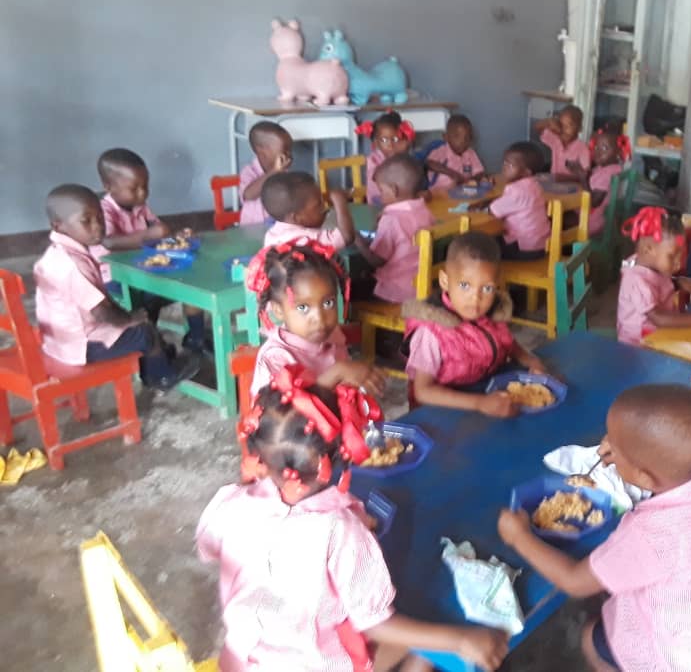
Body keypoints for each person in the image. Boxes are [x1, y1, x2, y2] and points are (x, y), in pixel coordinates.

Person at [198, 370, 509, 672]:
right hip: (314, 665)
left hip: (240, 661)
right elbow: (374, 623)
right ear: (340, 454)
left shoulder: (230, 502)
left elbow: (209, 548)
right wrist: (461, 639)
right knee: (427, 637)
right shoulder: (340, 531)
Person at [497, 384, 691, 672]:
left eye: (615, 446)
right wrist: (627, 453)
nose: (606, 446)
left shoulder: (653, 534)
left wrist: (519, 537)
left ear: (645, 477)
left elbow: (574, 582)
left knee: (592, 640)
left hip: (688, 660)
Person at [33, 184, 197, 389]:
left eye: (99, 218)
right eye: (86, 221)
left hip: (59, 341)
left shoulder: (57, 254)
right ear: (58, 226)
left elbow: (99, 302)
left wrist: (127, 318)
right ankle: (162, 376)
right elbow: (102, 312)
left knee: (136, 321)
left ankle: (155, 360)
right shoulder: (74, 265)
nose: (97, 226)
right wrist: (129, 319)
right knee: (145, 332)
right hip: (82, 346)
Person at [402, 232, 547, 415]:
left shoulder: (492, 313)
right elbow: (422, 391)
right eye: (465, 285)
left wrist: (532, 361)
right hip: (441, 416)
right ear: (445, 281)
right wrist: (480, 403)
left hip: (483, 399)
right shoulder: (431, 332)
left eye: (487, 288)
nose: (475, 298)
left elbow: (508, 344)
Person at [96, 148, 208, 353]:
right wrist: (149, 235)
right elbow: (109, 242)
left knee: (190, 282)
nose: (142, 193)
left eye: (145, 186)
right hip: (116, 277)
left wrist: (177, 236)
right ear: (109, 187)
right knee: (150, 299)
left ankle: (196, 338)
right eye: (134, 188)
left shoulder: (140, 206)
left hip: (144, 268)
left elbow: (159, 232)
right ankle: (152, 346)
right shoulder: (105, 210)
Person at [246, 237, 386, 397]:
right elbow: (282, 410)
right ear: (278, 310)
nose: (320, 318)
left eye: (328, 303)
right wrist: (337, 373)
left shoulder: (333, 337)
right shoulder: (275, 358)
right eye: (303, 308)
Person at [616, 207, 691, 346]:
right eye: (672, 256)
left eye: (680, 256)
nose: (678, 263)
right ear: (648, 249)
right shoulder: (635, 281)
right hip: (638, 345)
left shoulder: (650, 263)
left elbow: (656, 284)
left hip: (659, 333)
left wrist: (678, 283)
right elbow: (659, 319)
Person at [348, 154, 436, 303]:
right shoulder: (425, 211)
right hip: (421, 287)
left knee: (346, 288)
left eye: (382, 191)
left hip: (393, 292)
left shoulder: (392, 220)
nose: (380, 195)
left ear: (394, 190)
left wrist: (356, 238)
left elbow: (376, 260)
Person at [482, 142, 550, 261]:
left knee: (482, 246)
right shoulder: (535, 185)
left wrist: (481, 207)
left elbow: (492, 211)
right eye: (504, 162)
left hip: (524, 249)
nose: (504, 167)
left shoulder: (517, 191)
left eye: (510, 165)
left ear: (526, 172)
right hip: (542, 245)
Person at [262, 171, 356, 251]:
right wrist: (340, 201)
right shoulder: (306, 239)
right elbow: (346, 237)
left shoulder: (271, 235)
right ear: (297, 217)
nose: (324, 207)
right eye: (318, 204)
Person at [238, 121, 293, 225]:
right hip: (253, 225)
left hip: (275, 224)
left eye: (290, 149)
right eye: (284, 149)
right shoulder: (249, 171)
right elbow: (248, 195)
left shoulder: (283, 171)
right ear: (262, 151)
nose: (289, 154)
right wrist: (274, 171)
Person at [357, 112, 415, 205]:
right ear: (376, 142)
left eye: (395, 139)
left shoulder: (404, 157)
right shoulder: (373, 159)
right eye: (384, 140)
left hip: (399, 202)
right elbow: (378, 177)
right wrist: (395, 157)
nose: (390, 144)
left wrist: (405, 150)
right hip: (377, 202)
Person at [585, 129, 629, 236]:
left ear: (618, 153)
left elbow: (593, 202)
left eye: (604, 148)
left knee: (559, 217)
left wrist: (582, 178)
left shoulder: (607, 174)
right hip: (600, 219)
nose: (597, 152)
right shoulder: (611, 168)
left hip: (591, 222)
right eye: (596, 147)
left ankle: (567, 245)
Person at [426, 114, 485, 190]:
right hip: (439, 193)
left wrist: (472, 180)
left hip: (464, 192)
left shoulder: (470, 153)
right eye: (457, 136)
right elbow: (429, 164)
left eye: (467, 137)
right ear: (446, 137)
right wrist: (452, 174)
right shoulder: (442, 151)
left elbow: (480, 172)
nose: (462, 141)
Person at [535, 105, 589, 181]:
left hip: (573, 186)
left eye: (569, 125)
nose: (564, 129)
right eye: (561, 125)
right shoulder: (556, 140)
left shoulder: (582, 148)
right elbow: (537, 128)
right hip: (554, 183)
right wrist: (549, 121)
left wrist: (561, 178)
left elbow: (585, 175)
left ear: (580, 128)